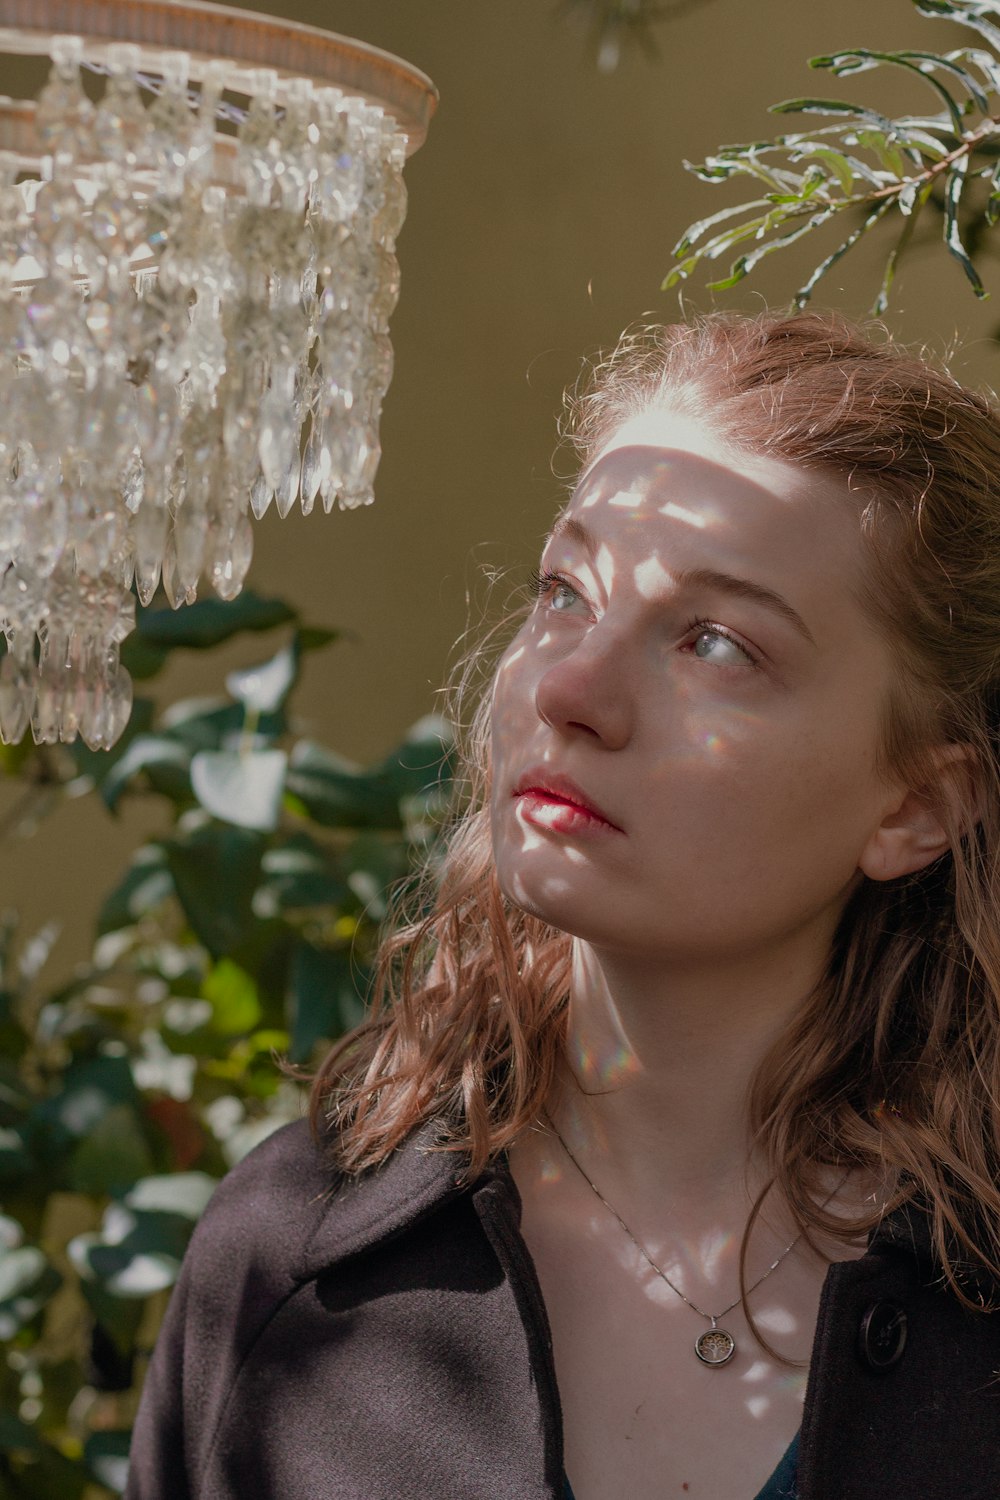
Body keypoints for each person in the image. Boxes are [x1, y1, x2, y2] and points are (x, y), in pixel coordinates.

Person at [124, 310, 1000, 1500]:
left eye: (717, 644)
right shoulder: (289, 1264)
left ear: (914, 806)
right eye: (565, 591)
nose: (572, 690)